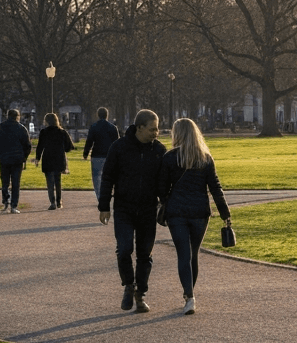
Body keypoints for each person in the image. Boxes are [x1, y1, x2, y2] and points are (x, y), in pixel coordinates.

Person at [158, 118, 231, 315]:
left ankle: (189, 296)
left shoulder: (170, 158)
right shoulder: (205, 158)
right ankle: (189, 294)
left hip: (177, 212)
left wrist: (166, 199)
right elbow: (215, 188)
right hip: (200, 212)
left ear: (177, 134)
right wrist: (225, 214)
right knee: (193, 254)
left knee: (183, 254)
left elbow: (162, 188)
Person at [98, 109, 167, 313]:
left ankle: (140, 294)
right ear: (139, 128)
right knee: (125, 249)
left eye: (157, 129)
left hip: (148, 209)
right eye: (153, 129)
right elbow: (107, 177)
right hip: (124, 208)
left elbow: (164, 182)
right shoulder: (119, 147)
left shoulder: (159, 150)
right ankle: (129, 285)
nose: (157, 132)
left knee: (145, 255)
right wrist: (103, 207)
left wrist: (166, 204)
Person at [0, 108, 31, 213]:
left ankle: (5, 202)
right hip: (17, 160)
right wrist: (24, 157)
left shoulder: (1, 127)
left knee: (5, 182)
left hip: (4, 159)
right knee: (16, 183)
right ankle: (14, 205)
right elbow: (27, 145)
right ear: (17, 116)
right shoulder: (21, 128)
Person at [35, 112, 74, 210]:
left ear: (46, 121)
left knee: (50, 182)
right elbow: (69, 147)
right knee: (58, 181)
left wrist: (37, 158)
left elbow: (40, 147)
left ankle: (52, 201)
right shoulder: (62, 132)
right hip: (59, 158)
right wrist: (63, 149)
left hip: (48, 158)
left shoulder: (44, 132)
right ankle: (59, 201)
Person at [83, 106, 119, 199]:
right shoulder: (113, 127)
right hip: (109, 155)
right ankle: (109, 192)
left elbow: (89, 141)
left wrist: (85, 153)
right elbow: (117, 143)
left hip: (97, 155)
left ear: (98, 115)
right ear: (107, 115)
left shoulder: (94, 127)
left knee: (96, 177)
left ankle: (100, 196)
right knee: (110, 176)